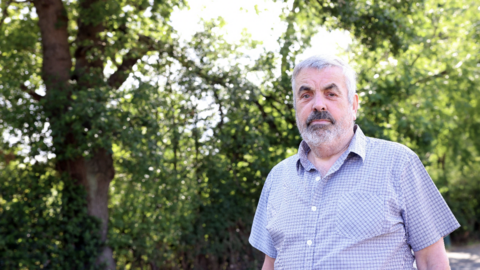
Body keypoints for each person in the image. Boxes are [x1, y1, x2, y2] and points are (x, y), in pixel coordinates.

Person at [249, 54, 460, 269]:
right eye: (306, 95)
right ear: (295, 106)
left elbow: (432, 260)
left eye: (331, 94)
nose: (318, 105)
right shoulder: (278, 177)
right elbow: (271, 264)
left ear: (354, 105)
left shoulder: (399, 164)